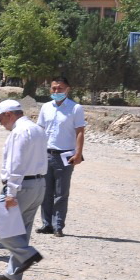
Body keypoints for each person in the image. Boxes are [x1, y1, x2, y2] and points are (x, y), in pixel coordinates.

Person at [0, 100, 47, 280]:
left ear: (8, 114)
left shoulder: (19, 132)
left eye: (0, 119)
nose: (1, 123)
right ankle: (14, 273)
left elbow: (16, 164)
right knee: (22, 229)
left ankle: (27, 254)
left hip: (21, 186)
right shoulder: (37, 129)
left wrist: (11, 193)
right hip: (38, 184)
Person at [35, 76, 86, 237]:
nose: (56, 91)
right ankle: (47, 224)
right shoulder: (45, 107)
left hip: (65, 156)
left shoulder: (75, 108)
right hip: (46, 154)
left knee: (61, 193)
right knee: (45, 192)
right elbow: (40, 130)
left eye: (60, 88)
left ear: (68, 89)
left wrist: (78, 154)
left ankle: (58, 226)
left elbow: (80, 132)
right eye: (54, 88)